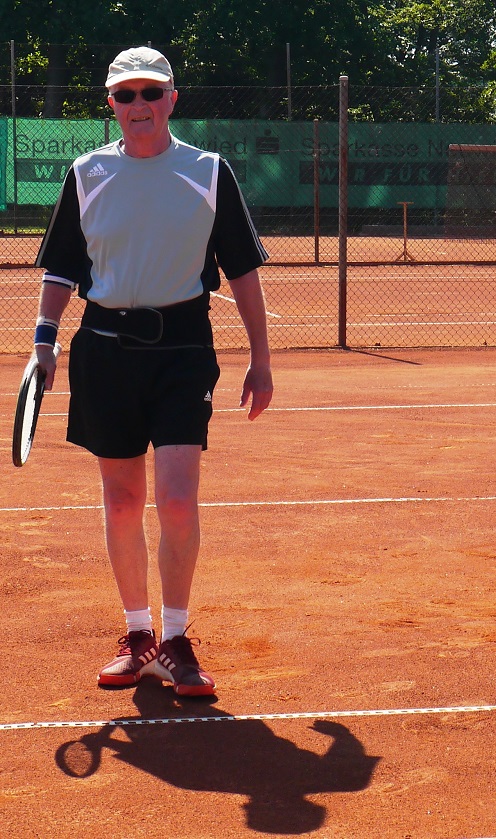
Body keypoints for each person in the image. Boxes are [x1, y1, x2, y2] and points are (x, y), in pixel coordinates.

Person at [33, 47, 273, 697]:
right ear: (110, 104)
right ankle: (137, 635)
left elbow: (243, 270)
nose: (137, 104)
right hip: (104, 349)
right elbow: (61, 267)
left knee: (174, 496)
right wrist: (44, 341)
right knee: (122, 498)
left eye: (149, 92)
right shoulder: (86, 174)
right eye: (124, 94)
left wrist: (261, 355)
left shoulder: (207, 172)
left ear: (172, 98)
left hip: (183, 350)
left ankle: (174, 639)